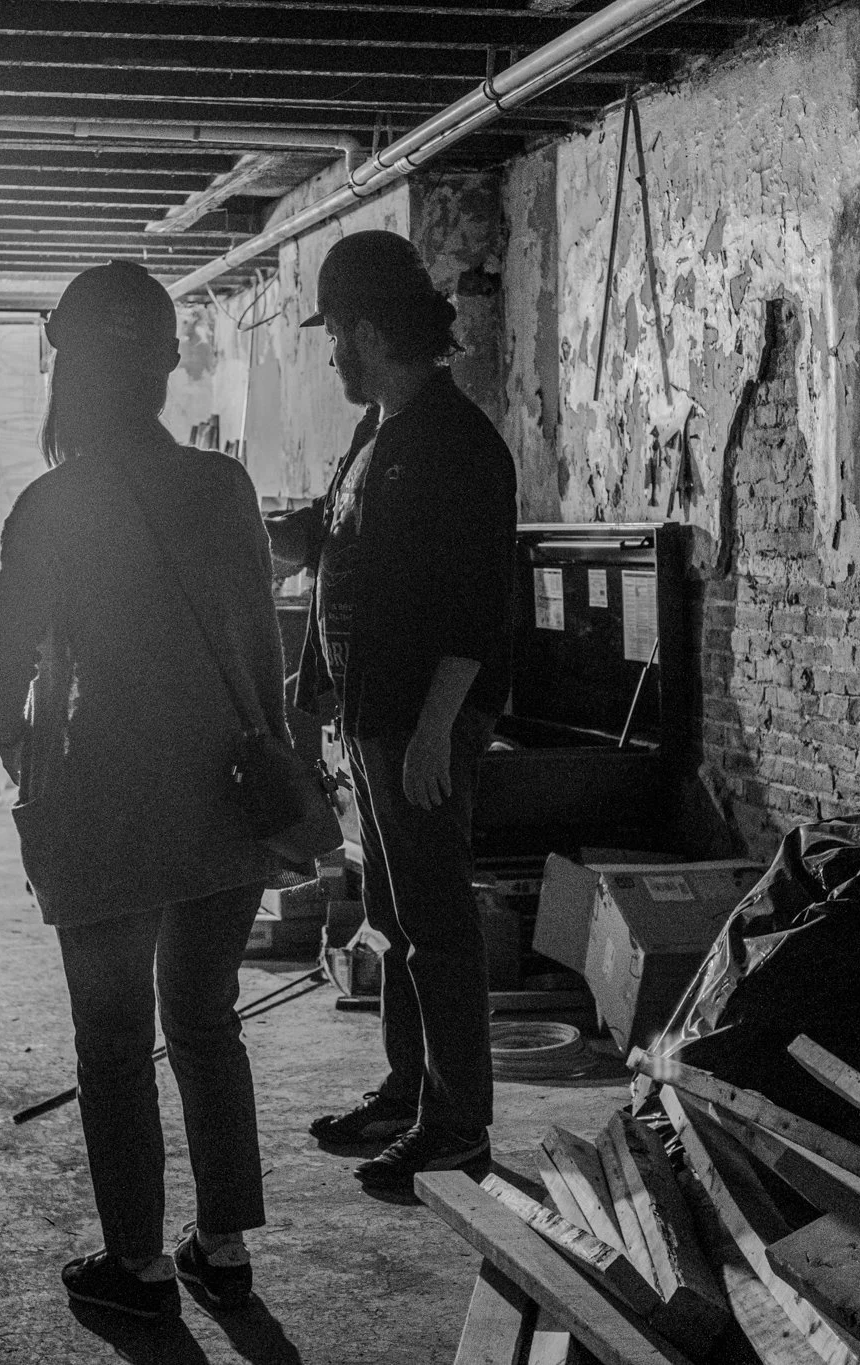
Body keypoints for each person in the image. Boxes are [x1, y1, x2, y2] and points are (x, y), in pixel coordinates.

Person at [0, 261, 287, 1318]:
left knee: (112, 1043)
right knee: (205, 1022)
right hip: (225, 798)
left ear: (68, 372)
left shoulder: (51, 504)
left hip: (100, 808)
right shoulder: (223, 487)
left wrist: (23, 755)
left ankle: (139, 1267)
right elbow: (259, 645)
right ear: (162, 370)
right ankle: (225, 1247)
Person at [267, 231, 517, 1196]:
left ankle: (456, 1124)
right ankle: (408, 1087)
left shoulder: (457, 446)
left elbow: (475, 607)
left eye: (334, 334)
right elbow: (338, 541)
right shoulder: (380, 434)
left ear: (369, 331)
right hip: (373, 721)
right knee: (395, 913)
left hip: (421, 725)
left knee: (437, 920)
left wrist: (430, 734)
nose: (329, 354)